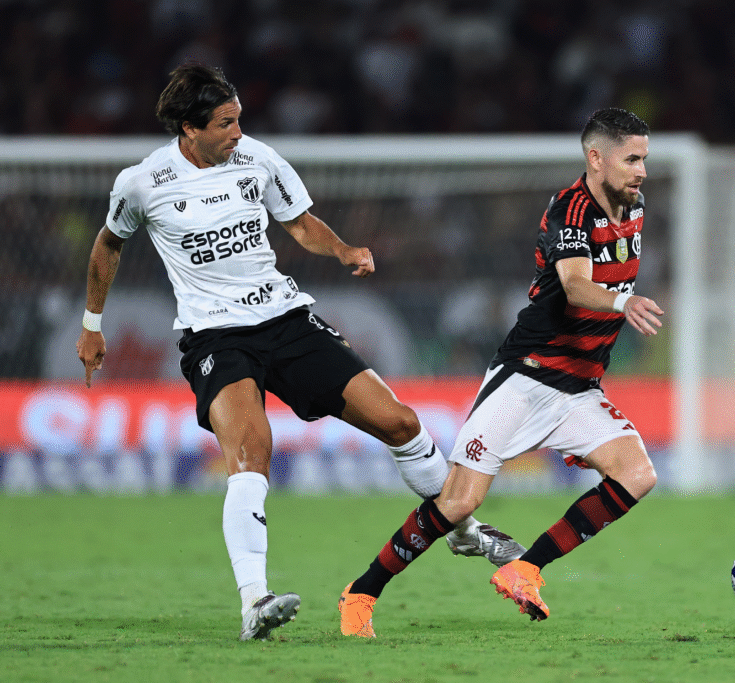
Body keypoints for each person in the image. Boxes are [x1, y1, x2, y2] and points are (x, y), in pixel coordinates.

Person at [75, 63, 524, 641]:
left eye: (239, 119)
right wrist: (92, 324)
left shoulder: (257, 159)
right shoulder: (143, 182)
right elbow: (108, 245)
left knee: (400, 422)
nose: (238, 132)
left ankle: (463, 530)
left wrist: (343, 250)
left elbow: (300, 223)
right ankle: (254, 602)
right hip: (217, 337)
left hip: (286, 319)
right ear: (189, 128)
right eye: (225, 123)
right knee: (250, 452)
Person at [339, 108, 664, 637]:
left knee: (638, 474)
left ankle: (524, 569)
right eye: (631, 159)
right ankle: (361, 592)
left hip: (580, 387)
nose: (642, 171)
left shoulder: (636, 207)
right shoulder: (570, 209)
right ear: (596, 158)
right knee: (458, 503)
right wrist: (623, 302)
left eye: (644, 159)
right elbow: (575, 285)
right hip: (527, 377)